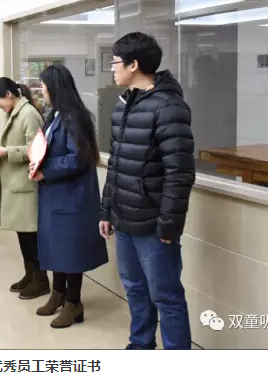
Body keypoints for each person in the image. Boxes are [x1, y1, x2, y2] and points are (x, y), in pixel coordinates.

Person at [99, 32, 195, 350]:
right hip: (124, 218)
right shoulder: (123, 104)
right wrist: (106, 210)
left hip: (154, 224)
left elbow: (180, 173)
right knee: (134, 288)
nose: (112, 68)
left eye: (115, 62)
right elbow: (116, 165)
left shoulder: (169, 107)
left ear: (134, 65)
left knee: (166, 295)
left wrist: (169, 224)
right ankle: (141, 343)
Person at [28, 65, 108, 328]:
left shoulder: (75, 117)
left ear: (55, 88)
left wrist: (46, 170)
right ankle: (58, 294)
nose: (42, 91)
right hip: (55, 194)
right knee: (56, 247)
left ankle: (74, 303)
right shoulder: (55, 115)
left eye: (44, 86)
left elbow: (78, 158)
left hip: (71, 196)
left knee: (71, 251)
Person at [0, 77, 48, 299]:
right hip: (15, 181)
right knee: (23, 235)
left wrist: (6, 152)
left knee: (31, 237)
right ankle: (29, 274)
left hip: (26, 184)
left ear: (9, 95)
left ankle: (41, 280)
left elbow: (36, 149)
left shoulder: (28, 114)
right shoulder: (13, 113)